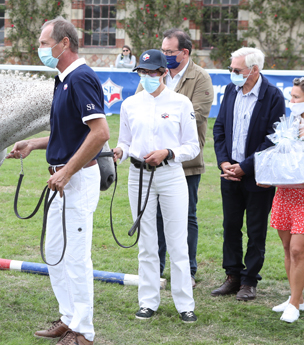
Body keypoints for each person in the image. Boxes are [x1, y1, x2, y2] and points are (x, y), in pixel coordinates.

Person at [6, 16, 109, 345]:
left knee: (76, 256)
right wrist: (35, 144)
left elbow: (100, 133)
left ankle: (84, 330)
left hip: (76, 180)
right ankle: (68, 318)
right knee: (55, 251)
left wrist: (67, 171)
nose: (40, 49)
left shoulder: (80, 78)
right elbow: (69, 132)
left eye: (43, 43)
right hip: (62, 179)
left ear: (64, 43)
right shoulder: (63, 78)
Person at [112, 49, 199, 323]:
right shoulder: (130, 104)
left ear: (164, 73)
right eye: (143, 72)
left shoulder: (181, 103)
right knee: (147, 242)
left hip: (170, 174)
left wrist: (168, 152)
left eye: (152, 72)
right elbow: (125, 141)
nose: (148, 77)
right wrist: (120, 152)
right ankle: (148, 301)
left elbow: (192, 146)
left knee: (177, 241)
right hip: (138, 176)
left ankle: (185, 303)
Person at [136, 28, 214, 288]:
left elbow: (197, 116)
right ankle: (155, 271)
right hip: (150, 163)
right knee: (152, 216)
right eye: (163, 50)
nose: (165, 55)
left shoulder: (200, 77)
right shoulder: (153, 73)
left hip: (185, 163)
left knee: (186, 217)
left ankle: (187, 272)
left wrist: (167, 147)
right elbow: (139, 107)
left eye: (169, 52)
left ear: (185, 52)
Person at [211, 47, 285, 301]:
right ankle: (232, 276)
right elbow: (219, 127)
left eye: (236, 70)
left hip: (258, 176)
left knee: (256, 230)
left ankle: (250, 280)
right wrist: (223, 163)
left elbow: (273, 140)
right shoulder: (231, 90)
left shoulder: (273, 96)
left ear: (254, 70)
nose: (232, 74)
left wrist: (246, 166)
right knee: (230, 225)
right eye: (231, 69)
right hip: (230, 173)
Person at [263, 77, 304, 323]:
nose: (291, 101)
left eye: (296, 98)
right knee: (286, 248)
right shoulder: (289, 125)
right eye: (290, 97)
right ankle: (297, 297)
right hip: (286, 192)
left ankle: (293, 304)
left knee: (297, 249)